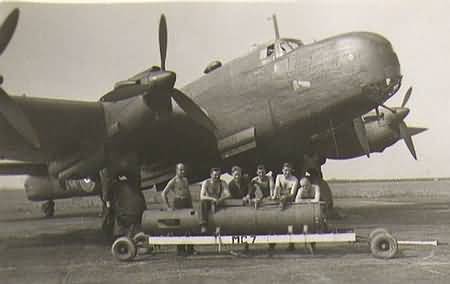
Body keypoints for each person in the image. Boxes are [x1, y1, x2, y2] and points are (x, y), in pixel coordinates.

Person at [161, 163, 196, 255]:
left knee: (190, 226)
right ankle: (180, 250)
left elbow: (188, 193)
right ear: (176, 170)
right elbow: (164, 193)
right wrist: (168, 207)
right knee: (180, 227)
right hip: (178, 203)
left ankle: (190, 249)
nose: (182, 172)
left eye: (183, 170)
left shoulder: (185, 180)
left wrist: (191, 205)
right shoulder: (173, 181)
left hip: (187, 202)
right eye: (180, 170)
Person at [199, 167, 230, 233]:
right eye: (215, 175)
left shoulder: (222, 182)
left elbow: (228, 194)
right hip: (208, 201)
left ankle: (222, 224)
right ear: (211, 175)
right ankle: (203, 224)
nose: (217, 177)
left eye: (218, 175)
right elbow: (202, 196)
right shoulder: (206, 182)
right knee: (203, 202)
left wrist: (220, 199)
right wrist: (212, 199)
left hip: (218, 201)